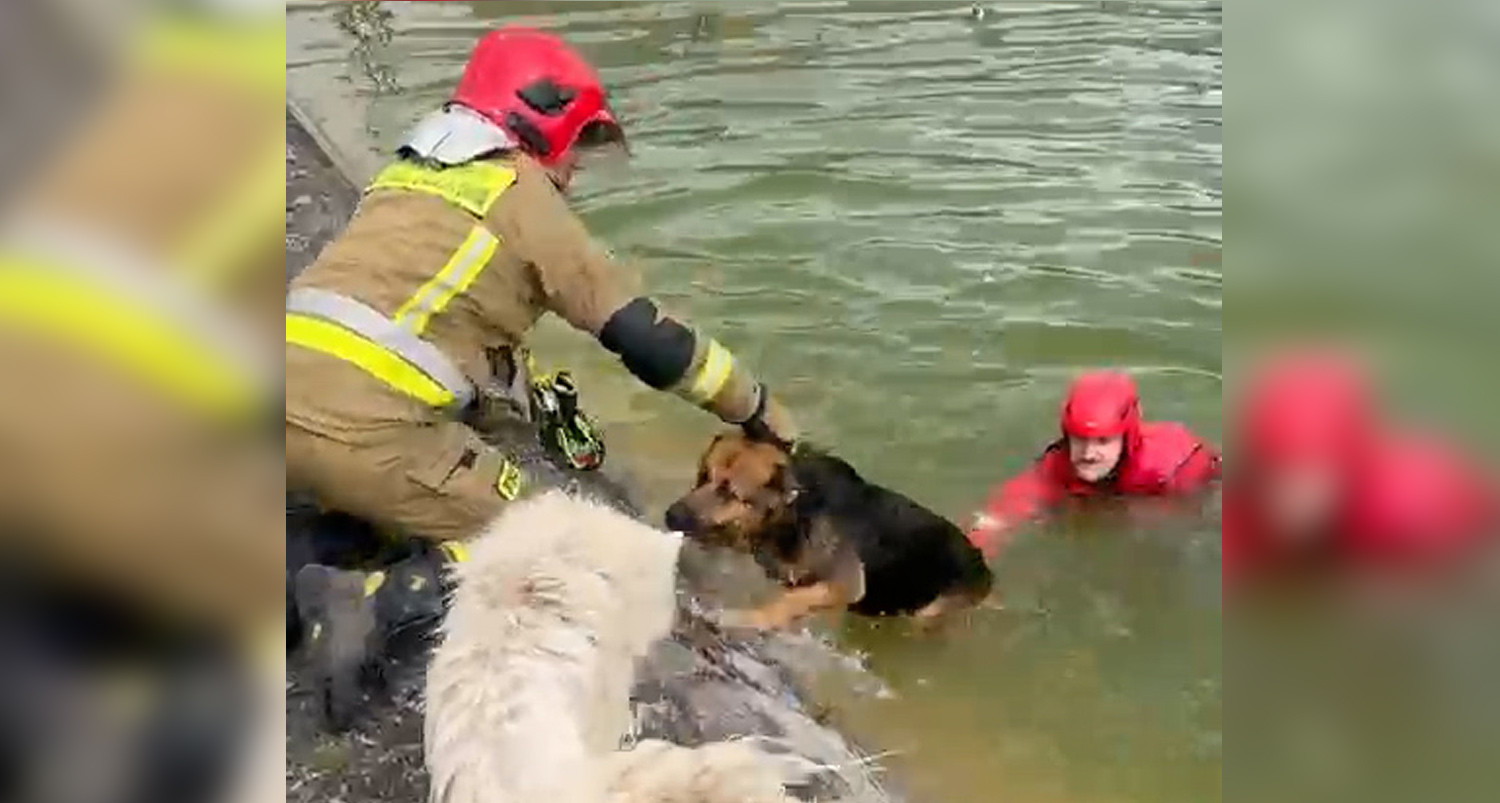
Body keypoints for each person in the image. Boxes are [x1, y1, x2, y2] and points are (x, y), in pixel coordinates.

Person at [283, 26, 798, 724]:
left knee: (362, 491)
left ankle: (296, 568)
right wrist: (755, 404)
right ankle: (368, 625)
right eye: (577, 148)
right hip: (370, 434)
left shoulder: (409, 170)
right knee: (539, 543)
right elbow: (647, 340)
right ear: (542, 120)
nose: (575, 171)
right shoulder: (519, 194)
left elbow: (425, 312)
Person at [1222, 350, 1496, 588]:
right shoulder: (1246, 510)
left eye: (1316, 479)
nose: (1297, 504)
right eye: (1284, 478)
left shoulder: (1414, 506)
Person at [966, 370, 1221, 556]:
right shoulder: (1057, 465)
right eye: (1079, 439)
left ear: (1128, 436)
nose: (1088, 454)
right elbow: (998, 517)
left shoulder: (1177, 467)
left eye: (1103, 441)